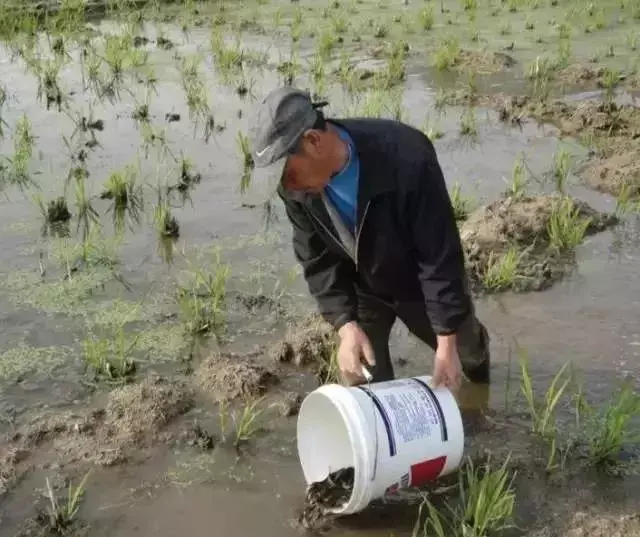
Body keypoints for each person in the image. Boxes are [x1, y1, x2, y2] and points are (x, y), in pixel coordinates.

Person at [248, 87, 490, 391]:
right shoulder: (296, 189)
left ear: (313, 141)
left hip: (418, 279)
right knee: (365, 380)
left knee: (466, 354)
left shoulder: (406, 156)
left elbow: (438, 254)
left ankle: (481, 388)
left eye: (287, 173)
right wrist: (345, 325)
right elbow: (316, 258)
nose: (285, 185)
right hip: (363, 285)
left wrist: (446, 342)